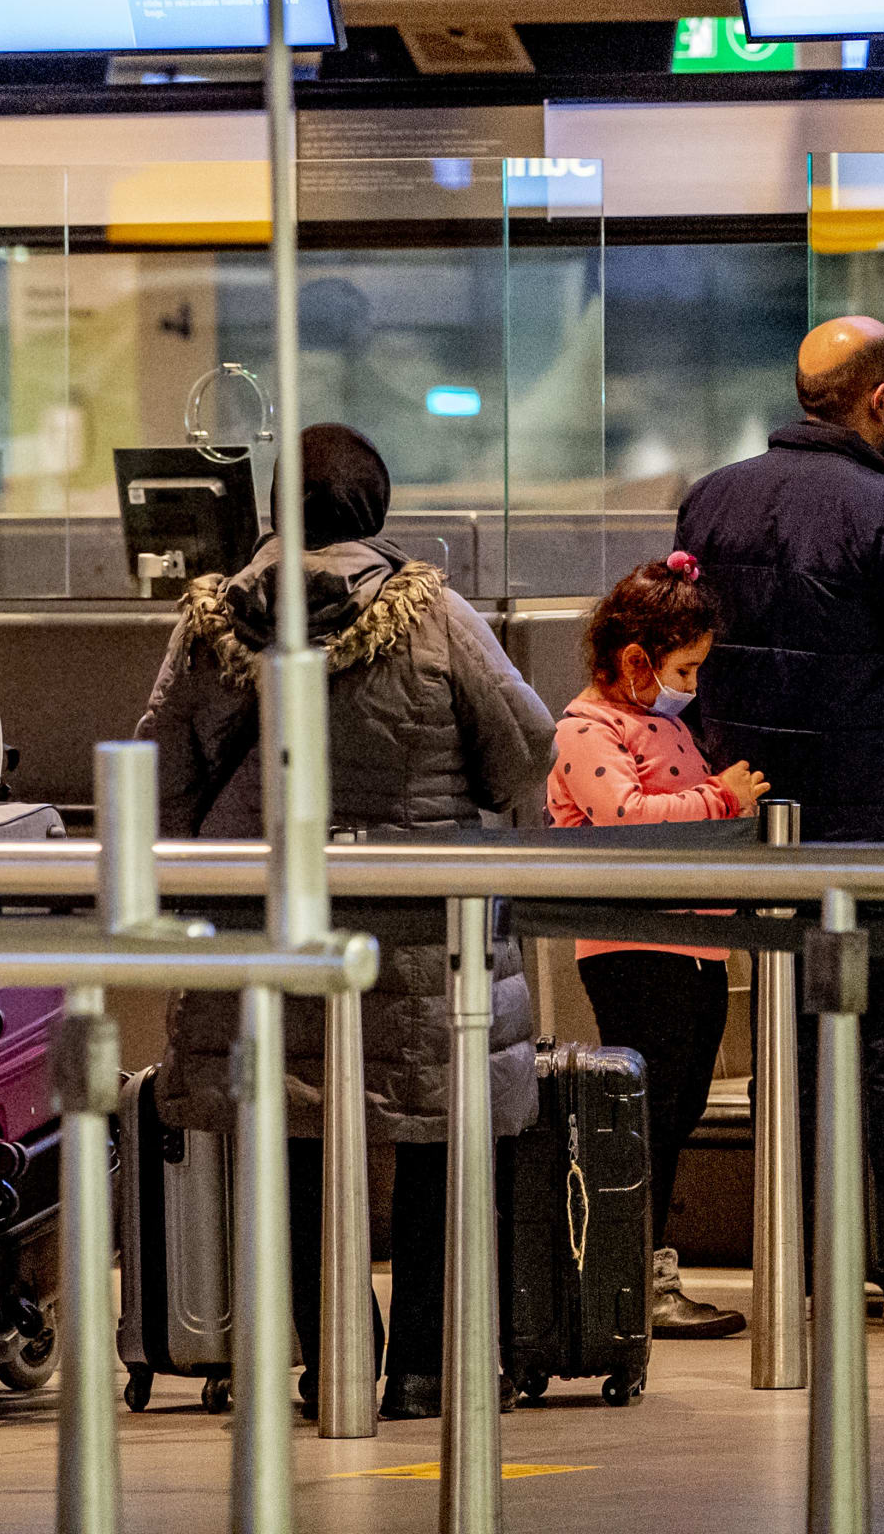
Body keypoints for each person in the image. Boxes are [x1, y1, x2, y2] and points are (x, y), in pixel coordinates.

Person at [137, 423, 555, 1422]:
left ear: (277, 508)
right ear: (378, 509)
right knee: (433, 1138)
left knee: (291, 1133)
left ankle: (332, 1360)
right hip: (421, 932)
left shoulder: (211, 622)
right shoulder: (436, 615)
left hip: (269, 925)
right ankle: (421, 1367)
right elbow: (524, 748)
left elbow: (158, 772)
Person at [674, 315, 884, 1320]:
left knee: (799, 1038)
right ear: (881, 400)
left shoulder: (710, 500)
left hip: (766, 823)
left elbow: (693, 662)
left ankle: (820, 1252)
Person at [547, 550, 768, 1339]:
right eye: (685, 668)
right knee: (647, 1111)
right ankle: (631, 1268)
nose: (693, 685)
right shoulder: (587, 728)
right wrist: (720, 798)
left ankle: (652, 1263)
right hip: (636, 946)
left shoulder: (659, 723)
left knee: (680, 1108)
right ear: (637, 661)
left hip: (696, 943)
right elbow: (624, 816)